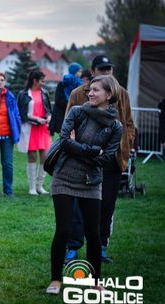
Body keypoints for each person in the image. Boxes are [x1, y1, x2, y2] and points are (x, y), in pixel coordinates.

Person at [46, 75, 122, 295]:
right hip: (64, 177)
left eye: (96, 90)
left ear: (109, 94)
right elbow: (64, 140)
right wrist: (92, 150)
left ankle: (95, 281)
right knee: (63, 230)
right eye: (90, 89)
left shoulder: (115, 126)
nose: (90, 93)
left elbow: (106, 159)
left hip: (91, 181)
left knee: (93, 233)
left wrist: (78, 147)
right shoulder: (76, 112)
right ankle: (55, 280)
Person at [64, 55, 135, 264]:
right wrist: (77, 146)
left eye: (109, 69)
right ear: (93, 72)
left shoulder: (121, 94)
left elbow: (129, 123)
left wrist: (124, 144)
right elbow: (69, 124)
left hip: (112, 159)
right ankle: (73, 248)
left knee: (106, 205)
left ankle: (101, 247)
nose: (106, 73)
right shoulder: (79, 94)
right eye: (102, 69)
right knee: (78, 204)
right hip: (83, 159)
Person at [16, 69, 52, 195]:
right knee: (31, 156)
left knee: (45, 156)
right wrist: (36, 119)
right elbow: (21, 113)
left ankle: (39, 186)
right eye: (42, 80)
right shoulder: (23, 94)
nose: (44, 83)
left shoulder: (45, 93)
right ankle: (32, 187)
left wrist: (48, 117)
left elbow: (48, 109)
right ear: (35, 80)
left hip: (43, 128)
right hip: (30, 128)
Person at [50, 63, 82, 136]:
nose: (81, 73)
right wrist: (71, 104)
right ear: (74, 71)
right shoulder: (63, 83)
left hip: (74, 114)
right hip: (62, 114)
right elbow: (58, 100)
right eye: (79, 71)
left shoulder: (79, 84)